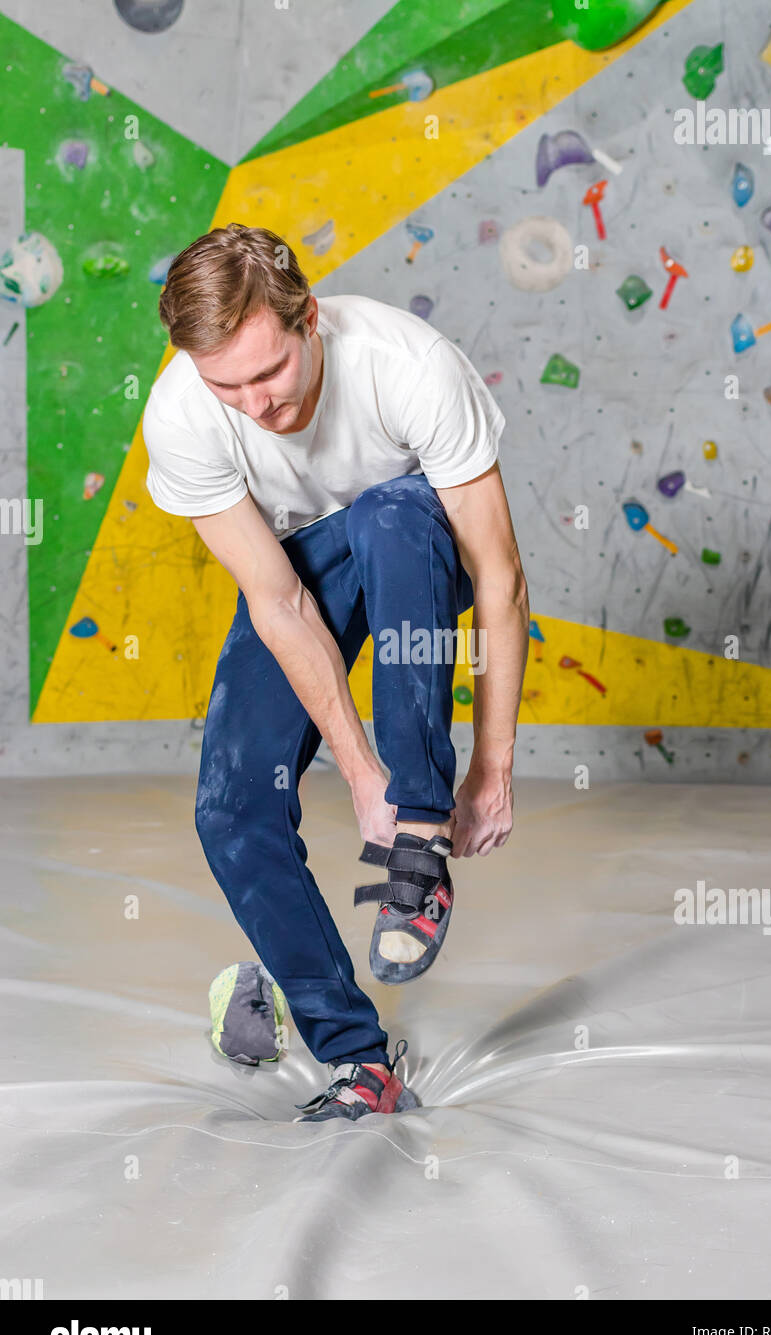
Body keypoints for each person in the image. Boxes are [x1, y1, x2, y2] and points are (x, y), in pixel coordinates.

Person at [142, 223, 529, 1122]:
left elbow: (501, 579)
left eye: (268, 372)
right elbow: (280, 604)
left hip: (420, 560)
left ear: (309, 318)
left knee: (391, 514)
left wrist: (491, 769)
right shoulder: (184, 414)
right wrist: (358, 775)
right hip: (306, 574)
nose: (255, 405)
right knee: (231, 810)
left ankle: (420, 842)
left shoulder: (409, 365)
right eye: (225, 384)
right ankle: (360, 1061)